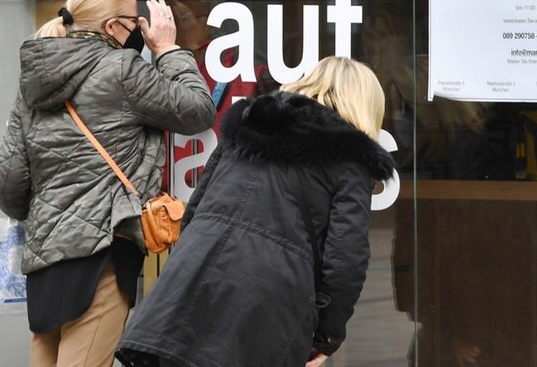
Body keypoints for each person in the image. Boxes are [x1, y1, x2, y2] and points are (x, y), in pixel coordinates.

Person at [0, 0, 216, 367]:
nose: (140, 29)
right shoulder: (122, 69)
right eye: (134, 20)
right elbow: (197, 109)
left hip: (46, 263)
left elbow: (7, 182)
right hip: (102, 258)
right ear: (113, 27)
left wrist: (52, 208)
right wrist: (167, 48)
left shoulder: (36, 83)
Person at [115, 56, 396, 367]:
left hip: (191, 285)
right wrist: (326, 336)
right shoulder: (351, 162)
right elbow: (346, 260)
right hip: (268, 307)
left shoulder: (248, 126)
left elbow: (196, 208)